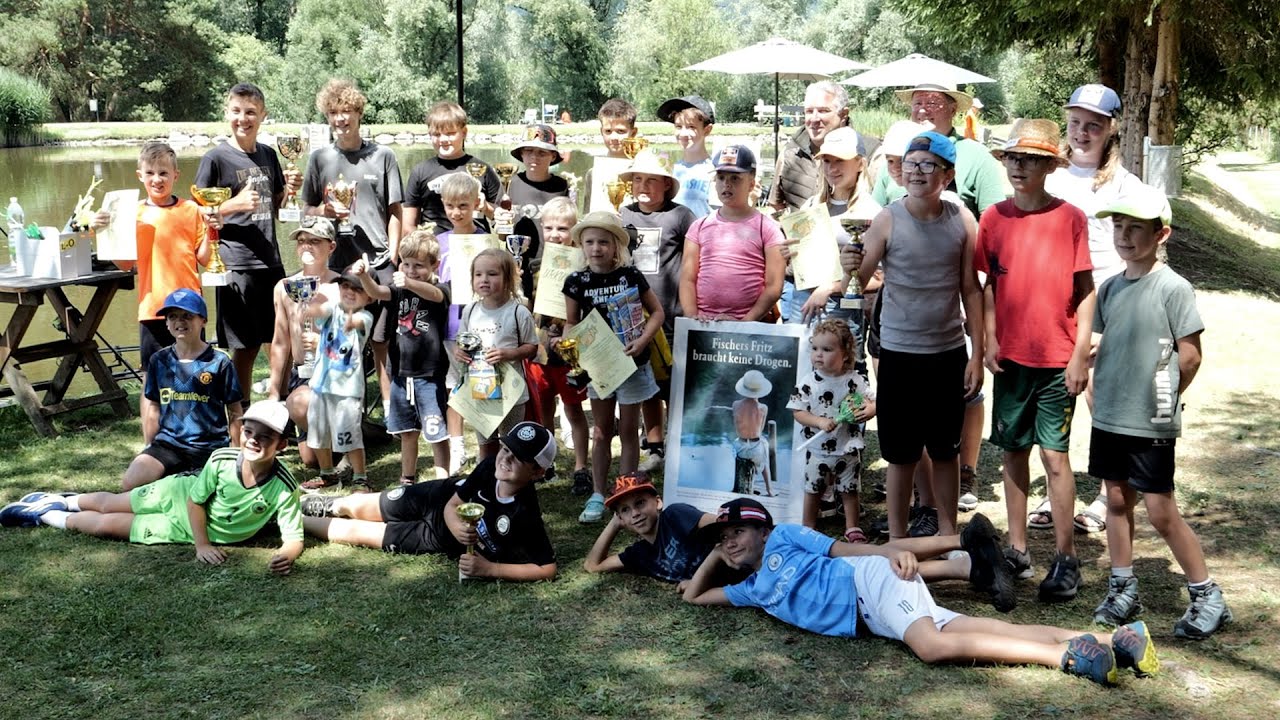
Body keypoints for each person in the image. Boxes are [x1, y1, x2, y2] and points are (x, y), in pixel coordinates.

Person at [682, 499, 1161, 686]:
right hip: (874, 617)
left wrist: (888, 555)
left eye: (738, 532)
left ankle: (1066, 658)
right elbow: (695, 598)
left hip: (870, 582)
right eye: (724, 538)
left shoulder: (785, 536)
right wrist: (717, 552)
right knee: (978, 628)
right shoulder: (751, 589)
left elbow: (844, 551)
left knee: (931, 647)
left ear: (764, 531)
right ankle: (1116, 639)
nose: (730, 541)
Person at [1088, 184, 1231, 639]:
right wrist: (1097, 389)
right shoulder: (1110, 288)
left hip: (1150, 421)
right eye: (1118, 226)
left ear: (1161, 234)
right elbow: (1105, 344)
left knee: (1160, 509)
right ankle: (1122, 587)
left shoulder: (1173, 288)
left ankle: (1207, 595)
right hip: (1109, 418)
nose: (1124, 236)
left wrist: (1161, 399)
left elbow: (1190, 356)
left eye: (1136, 228)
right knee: (1115, 500)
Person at [975, 119, 1095, 603]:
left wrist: (1080, 353)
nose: (1018, 167)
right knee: (1012, 450)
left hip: (1057, 359)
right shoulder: (993, 218)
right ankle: (1018, 549)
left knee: (1055, 456)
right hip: (1011, 361)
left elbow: (1086, 290)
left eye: (1030, 159)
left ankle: (1066, 558)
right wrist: (988, 340)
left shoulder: (1070, 218)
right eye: (1012, 158)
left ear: (1050, 167)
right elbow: (989, 284)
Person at [854, 132, 984, 540]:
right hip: (898, 353)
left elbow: (971, 289)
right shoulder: (888, 218)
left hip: (947, 352)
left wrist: (978, 354)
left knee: (945, 450)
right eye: (910, 163)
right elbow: (857, 280)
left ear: (947, 175)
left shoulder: (961, 220)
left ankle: (947, 535)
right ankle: (897, 538)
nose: (916, 172)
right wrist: (849, 264)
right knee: (900, 454)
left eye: (928, 165)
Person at [2, 401, 305, 576]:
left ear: (281, 445)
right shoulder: (221, 460)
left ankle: (43, 515)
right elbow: (196, 501)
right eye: (249, 432)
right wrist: (202, 546)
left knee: (106, 525)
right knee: (110, 503)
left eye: (265, 437)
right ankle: (66, 501)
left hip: (181, 529)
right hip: (176, 494)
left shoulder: (284, 487)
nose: (253, 440)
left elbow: (293, 537)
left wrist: (286, 556)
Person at [1045, 83, 1146, 535]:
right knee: (1054, 402)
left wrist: (1116, 317)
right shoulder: (1050, 174)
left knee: (1102, 401)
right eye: (1075, 123)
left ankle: (1110, 495)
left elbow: (1136, 251)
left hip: (1105, 303)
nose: (1082, 133)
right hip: (1053, 304)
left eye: (1093, 125)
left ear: (1110, 130)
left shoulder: (1125, 185)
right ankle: (1056, 493)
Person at [299, 421, 558, 582]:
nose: (506, 459)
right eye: (506, 449)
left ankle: (293, 521)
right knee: (356, 505)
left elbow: (547, 569)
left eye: (518, 458)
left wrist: (490, 569)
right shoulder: (489, 466)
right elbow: (453, 505)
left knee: (358, 533)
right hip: (432, 497)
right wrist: (456, 526)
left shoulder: (525, 512)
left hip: (434, 538)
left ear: (537, 472)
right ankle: (326, 505)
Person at [301, 79, 404, 413]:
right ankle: (343, 409)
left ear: (359, 113)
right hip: (336, 266)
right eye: (334, 113)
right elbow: (306, 211)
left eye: (346, 111)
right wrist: (325, 211)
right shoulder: (320, 158)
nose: (340, 119)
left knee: (382, 342)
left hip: (378, 262)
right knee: (339, 336)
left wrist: (393, 255)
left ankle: (390, 412)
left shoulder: (383, 156)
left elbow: (395, 212)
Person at [195, 82, 300, 401]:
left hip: (271, 261)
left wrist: (290, 191)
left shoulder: (269, 154)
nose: (243, 119)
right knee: (245, 347)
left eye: (251, 112)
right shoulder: (215, 158)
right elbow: (197, 213)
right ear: (227, 113)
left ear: (263, 115)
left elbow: (279, 209)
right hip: (235, 263)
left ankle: (278, 409)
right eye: (237, 111)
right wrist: (232, 205)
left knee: (283, 339)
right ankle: (239, 417)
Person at [562, 212, 664, 523]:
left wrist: (643, 341)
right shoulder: (576, 281)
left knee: (630, 430)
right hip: (600, 367)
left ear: (616, 245)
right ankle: (597, 493)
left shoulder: (630, 275)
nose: (596, 248)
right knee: (602, 430)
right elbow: (571, 322)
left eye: (603, 242)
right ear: (581, 245)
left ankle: (626, 490)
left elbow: (657, 313)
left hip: (632, 364)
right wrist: (569, 347)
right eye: (590, 242)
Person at [93, 142, 211, 391]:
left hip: (189, 306)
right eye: (150, 173)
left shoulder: (191, 210)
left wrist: (213, 228)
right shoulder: (130, 214)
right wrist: (104, 232)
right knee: (153, 380)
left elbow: (205, 259)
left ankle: (194, 417)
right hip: (153, 307)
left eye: (164, 173)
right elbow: (125, 263)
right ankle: (153, 419)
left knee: (194, 374)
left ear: (176, 175)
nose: (157, 179)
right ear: (140, 175)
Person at [618, 150, 697, 475]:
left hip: (673, 315)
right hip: (633, 319)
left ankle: (680, 444)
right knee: (646, 383)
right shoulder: (623, 213)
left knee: (675, 386)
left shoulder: (681, 216)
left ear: (666, 184)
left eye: (652, 179)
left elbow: (696, 260)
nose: (643, 185)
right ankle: (655, 446)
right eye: (638, 179)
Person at [355, 228, 451, 485]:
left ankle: (443, 480)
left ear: (435, 265)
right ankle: (407, 478)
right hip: (400, 372)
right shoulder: (398, 290)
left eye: (418, 265)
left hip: (429, 374)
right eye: (406, 264)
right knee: (407, 431)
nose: (410, 270)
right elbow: (377, 292)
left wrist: (409, 283)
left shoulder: (440, 289)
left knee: (436, 431)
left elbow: (435, 296)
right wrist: (364, 276)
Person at [123, 289, 243, 491]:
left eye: (187, 316)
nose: (180, 321)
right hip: (168, 446)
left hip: (210, 447)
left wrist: (235, 453)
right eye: (173, 316)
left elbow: (235, 410)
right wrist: (149, 446)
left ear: (203, 320)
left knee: (212, 494)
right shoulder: (159, 360)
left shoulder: (220, 361)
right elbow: (153, 406)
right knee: (130, 483)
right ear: (166, 323)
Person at [526, 197, 592, 494]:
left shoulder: (584, 268)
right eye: (549, 227)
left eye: (563, 228)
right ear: (541, 227)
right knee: (544, 410)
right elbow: (528, 305)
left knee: (574, 409)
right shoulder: (534, 265)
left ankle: (580, 467)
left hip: (569, 352)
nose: (555, 234)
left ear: (575, 229)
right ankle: (546, 463)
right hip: (539, 350)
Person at [788, 319, 875, 539]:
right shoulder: (808, 382)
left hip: (847, 447)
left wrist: (871, 410)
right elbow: (797, 411)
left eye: (827, 349)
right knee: (813, 488)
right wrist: (818, 421)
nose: (819, 354)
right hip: (818, 449)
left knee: (849, 489)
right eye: (815, 348)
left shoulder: (855, 381)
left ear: (845, 354)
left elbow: (873, 400)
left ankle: (852, 527)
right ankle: (808, 527)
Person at [679, 145, 785, 323]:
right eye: (721, 177)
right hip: (704, 323)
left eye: (735, 178)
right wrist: (692, 316)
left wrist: (745, 322)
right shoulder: (699, 226)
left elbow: (774, 286)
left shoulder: (767, 228)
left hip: (749, 326)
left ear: (751, 184)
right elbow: (687, 279)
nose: (726, 184)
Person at [268, 218, 340, 472]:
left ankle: (347, 436)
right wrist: (274, 391)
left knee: (303, 405)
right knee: (309, 460)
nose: (306, 246)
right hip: (302, 373)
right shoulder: (284, 287)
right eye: (301, 241)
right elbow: (280, 342)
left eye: (314, 241)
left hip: (337, 372)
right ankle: (345, 435)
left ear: (331, 247)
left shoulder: (342, 286)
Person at [874, 83, 1007, 219]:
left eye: (932, 103)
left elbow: (994, 220)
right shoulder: (895, 153)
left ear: (953, 110)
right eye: (917, 103)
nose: (922, 111)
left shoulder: (978, 155)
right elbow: (874, 214)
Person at [454, 248, 538, 460]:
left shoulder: (518, 312)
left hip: (511, 393)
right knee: (485, 444)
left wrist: (508, 353)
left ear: (508, 278)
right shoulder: (470, 310)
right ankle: (486, 478)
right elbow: (462, 341)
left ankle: (510, 478)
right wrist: (459, 351)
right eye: (478, 274)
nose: (484, 279)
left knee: (511, 445)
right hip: (480, 390)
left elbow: (532, 347)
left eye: (492, 274)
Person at [793, 126, 882, 324]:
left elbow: (879, 278)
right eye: (827, 161)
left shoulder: (872, 212)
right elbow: (802, 264)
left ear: (860, 164)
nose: (832, 168)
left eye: (840, 160)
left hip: (842, 310)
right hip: (802, 303)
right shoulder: (810, 205)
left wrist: (829, 288)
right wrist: (788, 253)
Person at [301, 270, 375, 491]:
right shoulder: (332, 308)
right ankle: (328, 475)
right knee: (318, 434)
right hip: (320, 386)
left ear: (369, 297)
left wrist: (350, 319)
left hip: (347, 390)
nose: (350, 292)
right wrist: (306, 301)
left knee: (349, 436)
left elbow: (357, 322)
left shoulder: (366, 317)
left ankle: (360, 477)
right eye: (345, 286)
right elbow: (319, 311)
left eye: (357, 289)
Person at [435, 172, 485, 475]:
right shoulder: (439, 242)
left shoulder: (486, 240)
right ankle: (457, 447)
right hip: (451, 326)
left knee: (481, 384)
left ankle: (484, 445)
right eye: (450, 206)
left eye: (463, 206)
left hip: (482, 326)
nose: (456, 212)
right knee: (454, 385)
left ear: (476, 204)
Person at [583, 472, 716, 583]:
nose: (635, 513)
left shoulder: (675, 515)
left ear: (658, 502)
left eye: (640, 503)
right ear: (620, 518)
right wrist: (614, 524)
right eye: (625, 510)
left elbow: (723, 525)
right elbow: (592, 565)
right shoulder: (641, 554)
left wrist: (699, 581)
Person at [403, 100, 501, 233]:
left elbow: (501, 217)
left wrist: (485, 207)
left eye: (450, 133)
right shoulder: (420, 172)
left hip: (475, 241)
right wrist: (424, 243)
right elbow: (408, 225)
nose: (443, 140)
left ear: (464, 132)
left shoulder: (482, 169)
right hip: (435, 243)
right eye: (437, 134)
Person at [500, 124, 571, 299]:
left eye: (542, 152)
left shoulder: (562, 186)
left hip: (551, 265)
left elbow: (570, 229)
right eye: (529, 151)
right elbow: (502, 234)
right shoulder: (510, 183)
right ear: (521, 154)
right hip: (517, 266)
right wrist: (499, 221)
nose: (534, 157)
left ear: (553, 155)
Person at [768, 80, 849, 213]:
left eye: (823, 111)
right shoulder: (790, 153)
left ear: (843, 114)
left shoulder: (866, 153)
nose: (814, 119)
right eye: (809, 111)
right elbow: (775, 207)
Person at [657, 95, 716, 217]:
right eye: (678, 126)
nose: (683, 134)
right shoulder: (669, 170)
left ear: (707, 130)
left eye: (691, 127)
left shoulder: (715, 171)